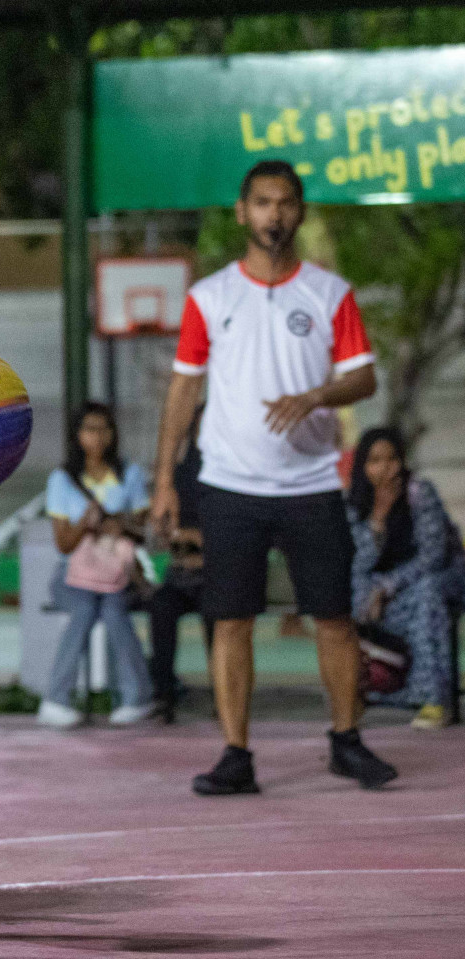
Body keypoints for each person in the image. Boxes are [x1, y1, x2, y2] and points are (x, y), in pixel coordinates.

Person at [152, 159, 397, 796]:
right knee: (230, 621)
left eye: (285, 202)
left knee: (334, 617)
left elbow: (364, 376)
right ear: (243, 212)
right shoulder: (210, 296)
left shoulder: (329, 293)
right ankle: (236, 755)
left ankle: (346, 741)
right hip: (229, 484)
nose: (274, 214)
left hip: (312, 482)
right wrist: (163, 480)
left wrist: (316, 396)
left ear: (300, 211)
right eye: (262, 202)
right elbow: (183, 390)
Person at [35, 401, 154, 729]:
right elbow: (64, 544)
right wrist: (86, 523)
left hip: (116, 571)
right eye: (90, 429)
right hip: (72, 573)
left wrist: (120, 524)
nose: (98, 437)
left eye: (104, 429)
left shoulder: (129, 473)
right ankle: (62, 698)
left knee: (113, 606)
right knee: (87, 607)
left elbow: (141, 531)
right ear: (77, 435)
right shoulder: (62, 479)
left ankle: (132, 698)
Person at [347, 426, 465, 728]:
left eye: (392, 459)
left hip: (441, 579)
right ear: (363, 466)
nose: (385, 468)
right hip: (382, 590)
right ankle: (371, 692)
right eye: (375, 461)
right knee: (352, 602)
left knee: (427, 594)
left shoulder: (419, 494)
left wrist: (388, 586)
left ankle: (435, 701)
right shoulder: (354, 504)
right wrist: (378, 519)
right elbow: (359, 564)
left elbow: (434, 555)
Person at [147, 404, 214, 723]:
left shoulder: (231, 476)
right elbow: (162, 533)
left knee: (220, 613)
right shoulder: (175, 477)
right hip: (180, 575)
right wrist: (177, 534)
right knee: (161, 608)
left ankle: (225, 693)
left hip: (216, 577)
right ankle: (164, 694)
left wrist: (198, 539)